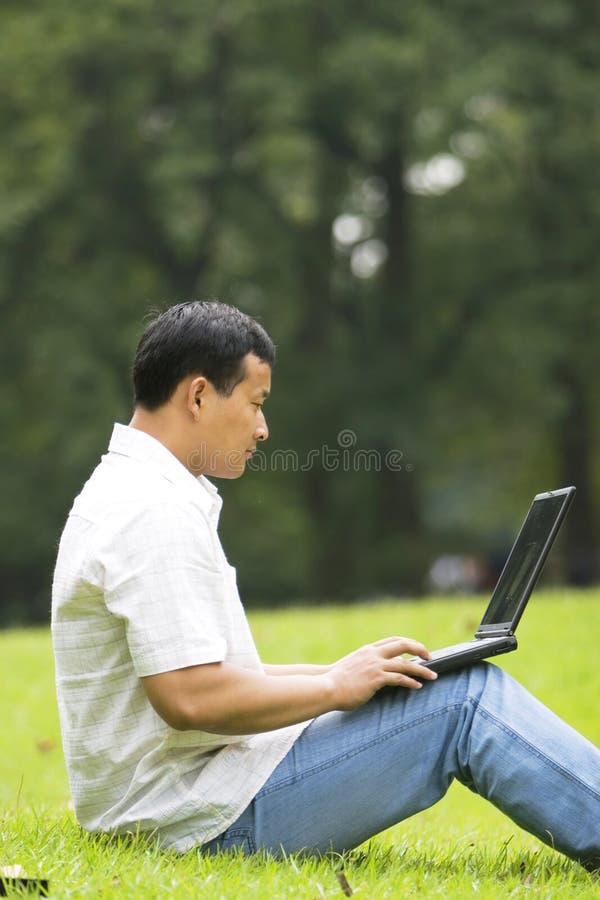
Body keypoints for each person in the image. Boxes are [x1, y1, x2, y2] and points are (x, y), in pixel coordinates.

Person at [51, 300, 600, 869]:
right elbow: (190, 697)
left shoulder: (133, 489)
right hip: (201, 822)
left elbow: (208, 675)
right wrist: (335, 689)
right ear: (197, 396)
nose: (263, 428)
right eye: (255, 404)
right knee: (467, 699)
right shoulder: (151, 511)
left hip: (189, 800)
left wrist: (346, 673)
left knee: (444, 686)